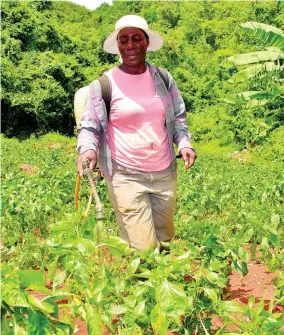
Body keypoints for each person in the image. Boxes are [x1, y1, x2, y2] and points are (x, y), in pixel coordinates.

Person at [77, 15, 197, 250]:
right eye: (123, 40)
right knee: (143, 248)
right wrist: (88, 150)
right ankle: (139, 281)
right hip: (125, 175)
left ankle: (157, 284)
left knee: (164, 239)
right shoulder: (103, 85)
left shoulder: (164, 79)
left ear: (146, 42)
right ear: (118, 46)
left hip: (164, 173)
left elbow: (179, 118)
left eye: (136, 38)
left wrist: (184, 143)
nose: (130, 45)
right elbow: (89, 126)